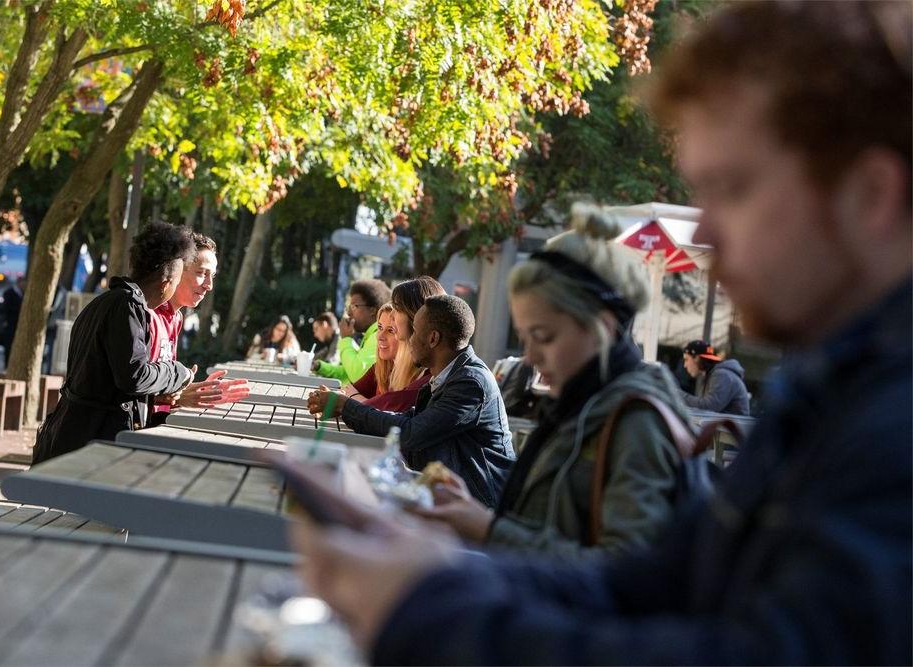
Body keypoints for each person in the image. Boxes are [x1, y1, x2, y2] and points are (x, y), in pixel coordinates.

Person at [294, 2, 912, 663]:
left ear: (869, 195)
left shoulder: (892, 424)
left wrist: (429, 608)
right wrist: (436, 575)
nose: (704, 232)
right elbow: (653, 581)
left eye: (731, 187)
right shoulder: (831, 391)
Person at [416, 208, 702, 557]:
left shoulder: (637, 421)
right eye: (524, 337)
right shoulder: (580, 404)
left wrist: (490, 530)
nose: (530, 356)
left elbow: (625, 575)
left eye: (544, 336)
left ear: (603, 327)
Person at [32, 223, 197, 465]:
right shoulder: (128, 307)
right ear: (166, 282)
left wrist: (159, 395)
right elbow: (134, 376)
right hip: (90, 445)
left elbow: (112, 379)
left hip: (78, 436)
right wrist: (177, 373)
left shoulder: (106, 302)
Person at [336, 295, 517, 507]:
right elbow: (409, 418)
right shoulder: (448, 374)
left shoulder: (470, 383)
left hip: (480, 509)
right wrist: (347, 409)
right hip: (455, 499)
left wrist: (345, 406)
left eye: (415, 332)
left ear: (432, 339)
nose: (409, 339)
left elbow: (412, 432)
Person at [148, 233, 250, 423]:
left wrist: (188, 393)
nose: (209, 285)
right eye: (202, 273)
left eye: (212, 276)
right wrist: (179, 395)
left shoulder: (176, 317)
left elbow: (157, 391)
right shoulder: (148, 314)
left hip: (155, 426)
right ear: (177, 269)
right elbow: (129, 387)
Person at [308, 276, 445, 415]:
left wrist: (345, 403)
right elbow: (353, 390)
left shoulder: (429, 377)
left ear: (416, 316)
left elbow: (385, 409)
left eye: (397, 309)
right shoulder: (386, 362)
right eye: (380, 328)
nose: (392, 316)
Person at [314, 279, 391, 383]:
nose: (349, 313)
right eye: (348, 307)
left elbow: (357, 375)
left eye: (354, 306)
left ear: (372, 310)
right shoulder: (369, 335)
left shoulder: (377, 337)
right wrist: (319, 367)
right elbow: (347, 372)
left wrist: (346, 339)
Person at [680, 339, 750, 415]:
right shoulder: (711, 375)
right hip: (726, 424)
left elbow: (709, 408)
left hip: (733, 425)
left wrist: (677, 394)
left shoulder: (722, 375)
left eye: (686, 359)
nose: (685, 365)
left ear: (696, 358)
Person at [1, 275, 24, 367]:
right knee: (8, 344)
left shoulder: (22, 294)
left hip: (17, 323)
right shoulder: (9, 293)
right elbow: (6, 308)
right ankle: (7, 364)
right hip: (10, 322)